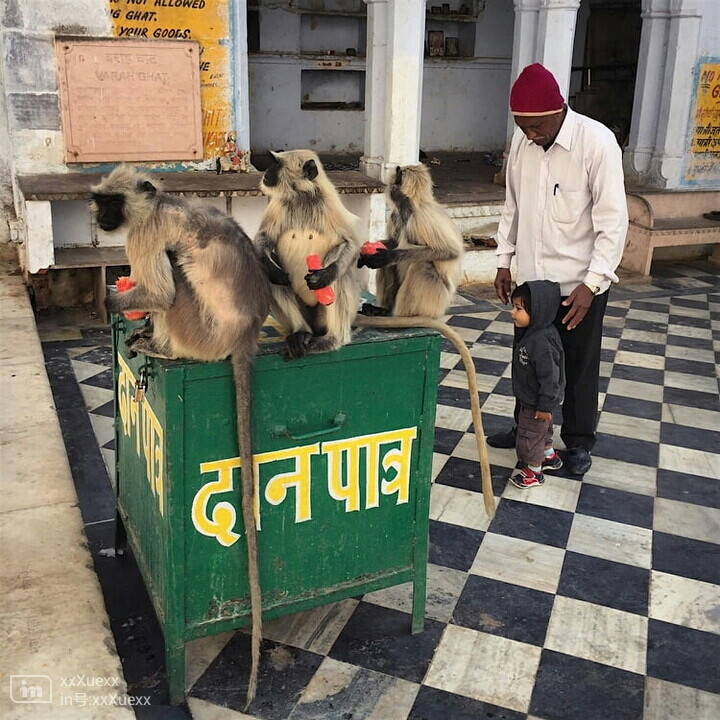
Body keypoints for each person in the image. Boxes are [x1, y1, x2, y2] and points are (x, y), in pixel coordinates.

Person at [488, 63, 628, 476]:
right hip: (534, 285)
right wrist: (503, 260)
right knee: (528, 360)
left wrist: (592, 284)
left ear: (557, 110)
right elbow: (512, 206)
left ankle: (579, 442)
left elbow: (613, 222)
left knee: (579, 365)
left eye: (535, 126)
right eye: (522, 126)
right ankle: (524, 430)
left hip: (578, 284)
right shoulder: (521, 143)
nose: (529, 135)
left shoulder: (596, 143)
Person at [507, 281, 565, 489]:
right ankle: (548, 455)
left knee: (529, 435)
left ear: (538, 311)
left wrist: (544, 405)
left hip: (537, 400)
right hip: (537, 398)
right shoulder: (534, 333)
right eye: (513, 307)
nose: (513, 313)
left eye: (519, 309)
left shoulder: (541, 341)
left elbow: (550, 376)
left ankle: (534, 471)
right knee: (543, 428)